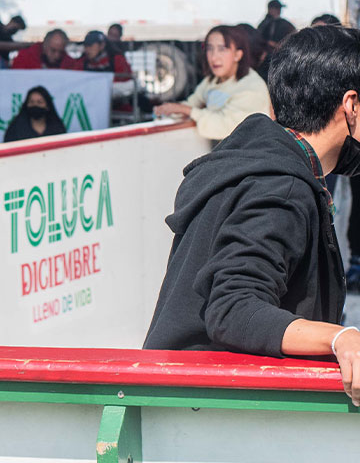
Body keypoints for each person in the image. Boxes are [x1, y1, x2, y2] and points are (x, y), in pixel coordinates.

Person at [143, 25, 360, 406]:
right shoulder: (281, 187)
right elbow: (232, 308)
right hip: (208, 416)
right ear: (352, 106)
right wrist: (340, 338)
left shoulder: (260, 156)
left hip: (179, 399)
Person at [154, 25, 270, 140]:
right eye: (210, 49)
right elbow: (193, 102)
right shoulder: (212, 81)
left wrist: (188, 111)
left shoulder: (252, 88)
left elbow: (225, 127)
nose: (214, 57)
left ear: (237, 55)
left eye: (222, 49)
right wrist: (172, 110)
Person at [2, 86, 68, 143]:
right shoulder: (16, 127)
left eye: (39, 102)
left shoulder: (57, 127)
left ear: (48, 106)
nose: (35, 105)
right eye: (31, 102)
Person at [65, 31, 133, 83]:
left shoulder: (117, 60)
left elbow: (127, 82)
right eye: (86, 46)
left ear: (102, 45)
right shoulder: (81, 62)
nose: (87, 49)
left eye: (91, 46)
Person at [11, 29, 77, 70]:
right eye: (53, 50)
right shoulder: (24, 58)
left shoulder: (69, 63)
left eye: (61, 52)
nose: (57, 55)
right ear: (45, 45)